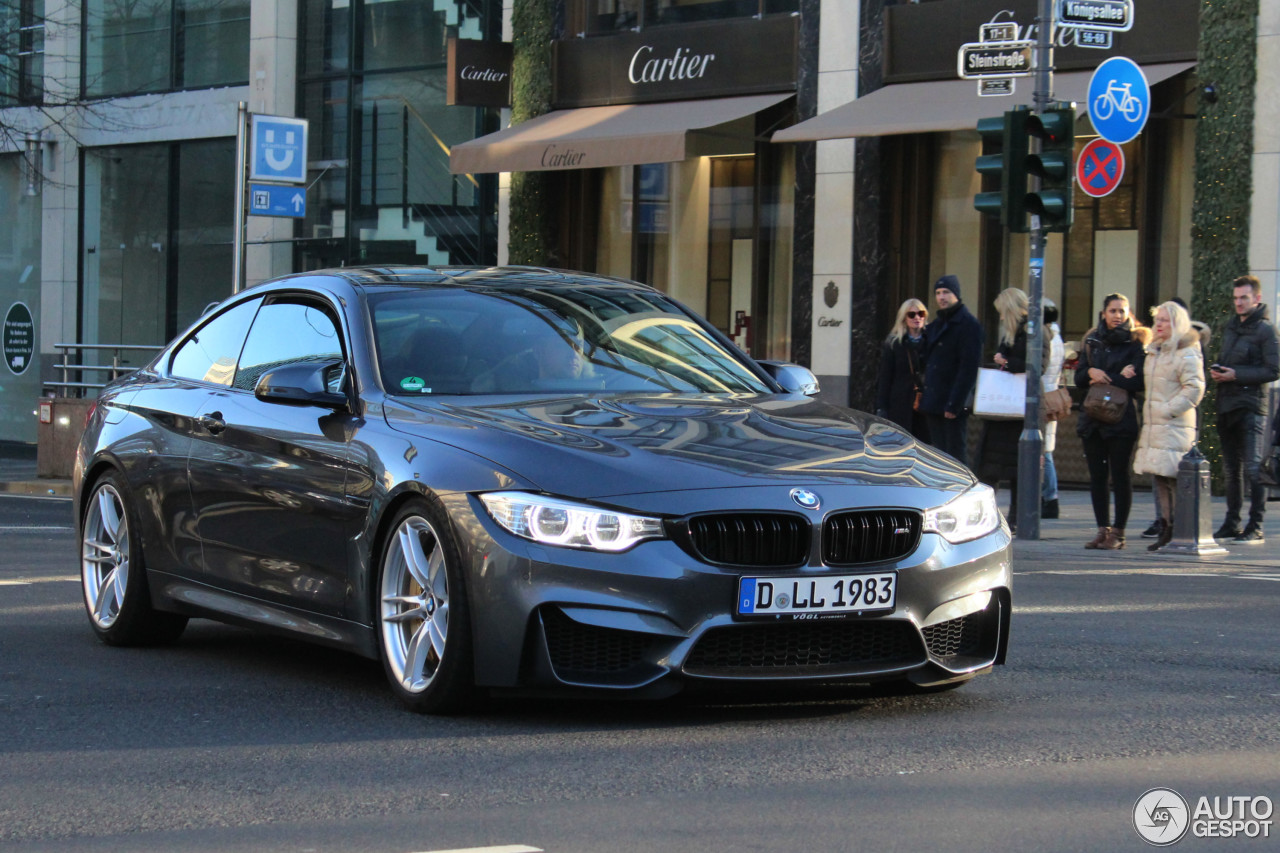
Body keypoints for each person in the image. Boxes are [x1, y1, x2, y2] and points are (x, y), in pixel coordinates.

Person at [1076, 293, 1150, 550]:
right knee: (1097, 476)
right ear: (1103, 313)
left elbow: (1137, 381)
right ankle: (1102, 530)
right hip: (1093, 416)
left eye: (1122, 311)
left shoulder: (1137, 342)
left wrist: (1104, 376)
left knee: (1120, 475)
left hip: (1121, 419)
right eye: (1113, 310)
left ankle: (1118, 532)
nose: (1118, 315)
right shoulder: (1092, 340)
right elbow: (1078, 378)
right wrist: (1089, 373)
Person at [1210, 274, 1280, 543]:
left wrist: (1235, 374)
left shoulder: (1266, 330)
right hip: (1227, 404)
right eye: (1236, 298)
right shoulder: (1231, 327)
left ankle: (1256, 525)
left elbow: (1273, 370)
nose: (1238, 303)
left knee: (1252, 469)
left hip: (1251, 406)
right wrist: (1220, 373)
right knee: (1231, 470)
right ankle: (1232, 522)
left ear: (1257, 299)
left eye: (1244, 298)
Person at [1131, 302, 1205, 551]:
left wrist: (1168, 409)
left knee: (1174, 478)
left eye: (1165, 320)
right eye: (1157, 319)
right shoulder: (1156, 350)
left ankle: (1179, 529)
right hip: (1155, 425)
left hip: (1174, 424)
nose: (1159, 324)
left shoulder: (1186, 350)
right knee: (1160, 477)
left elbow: (1194, 387)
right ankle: (1166, 527)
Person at [978, 288, 1041, 527]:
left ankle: (1016, 518)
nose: (1001, 318)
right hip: (1003, 410)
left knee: (1016, 470)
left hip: (1018, 410)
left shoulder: (1032, 331)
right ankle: (988, 516)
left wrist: (1007, 362)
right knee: (990, 468)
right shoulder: (1011, 334)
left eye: (1003, 313)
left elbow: (1036, 364)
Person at [920, 274, 983, 466]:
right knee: (937, 454)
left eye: (946, 292)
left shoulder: (969, 325)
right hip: (933, 401)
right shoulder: (935, 325)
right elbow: (926, 360)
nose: (941, 297)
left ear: (956, 294)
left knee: (954, 455)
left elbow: (968, 369)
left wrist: (954, 404)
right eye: (938, 293)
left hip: (951, 403)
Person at [875, 298, 930, 441]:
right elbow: (885, 377)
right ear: (904, 318)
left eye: (921, 313)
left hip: (926, 403)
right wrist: (882, 408)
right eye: (911, 314)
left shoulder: (933, 341)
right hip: (900, 404)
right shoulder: (894, 344)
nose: (917, 317)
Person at [1041, 299, 1065, 520]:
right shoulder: (1056, 336)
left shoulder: (1048, 337)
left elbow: (1043, 368)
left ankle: (1050, 497)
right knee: (1045, 449)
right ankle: (1048, 497)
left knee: (1044, 451)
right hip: (1050, 394)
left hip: (1044, 397)